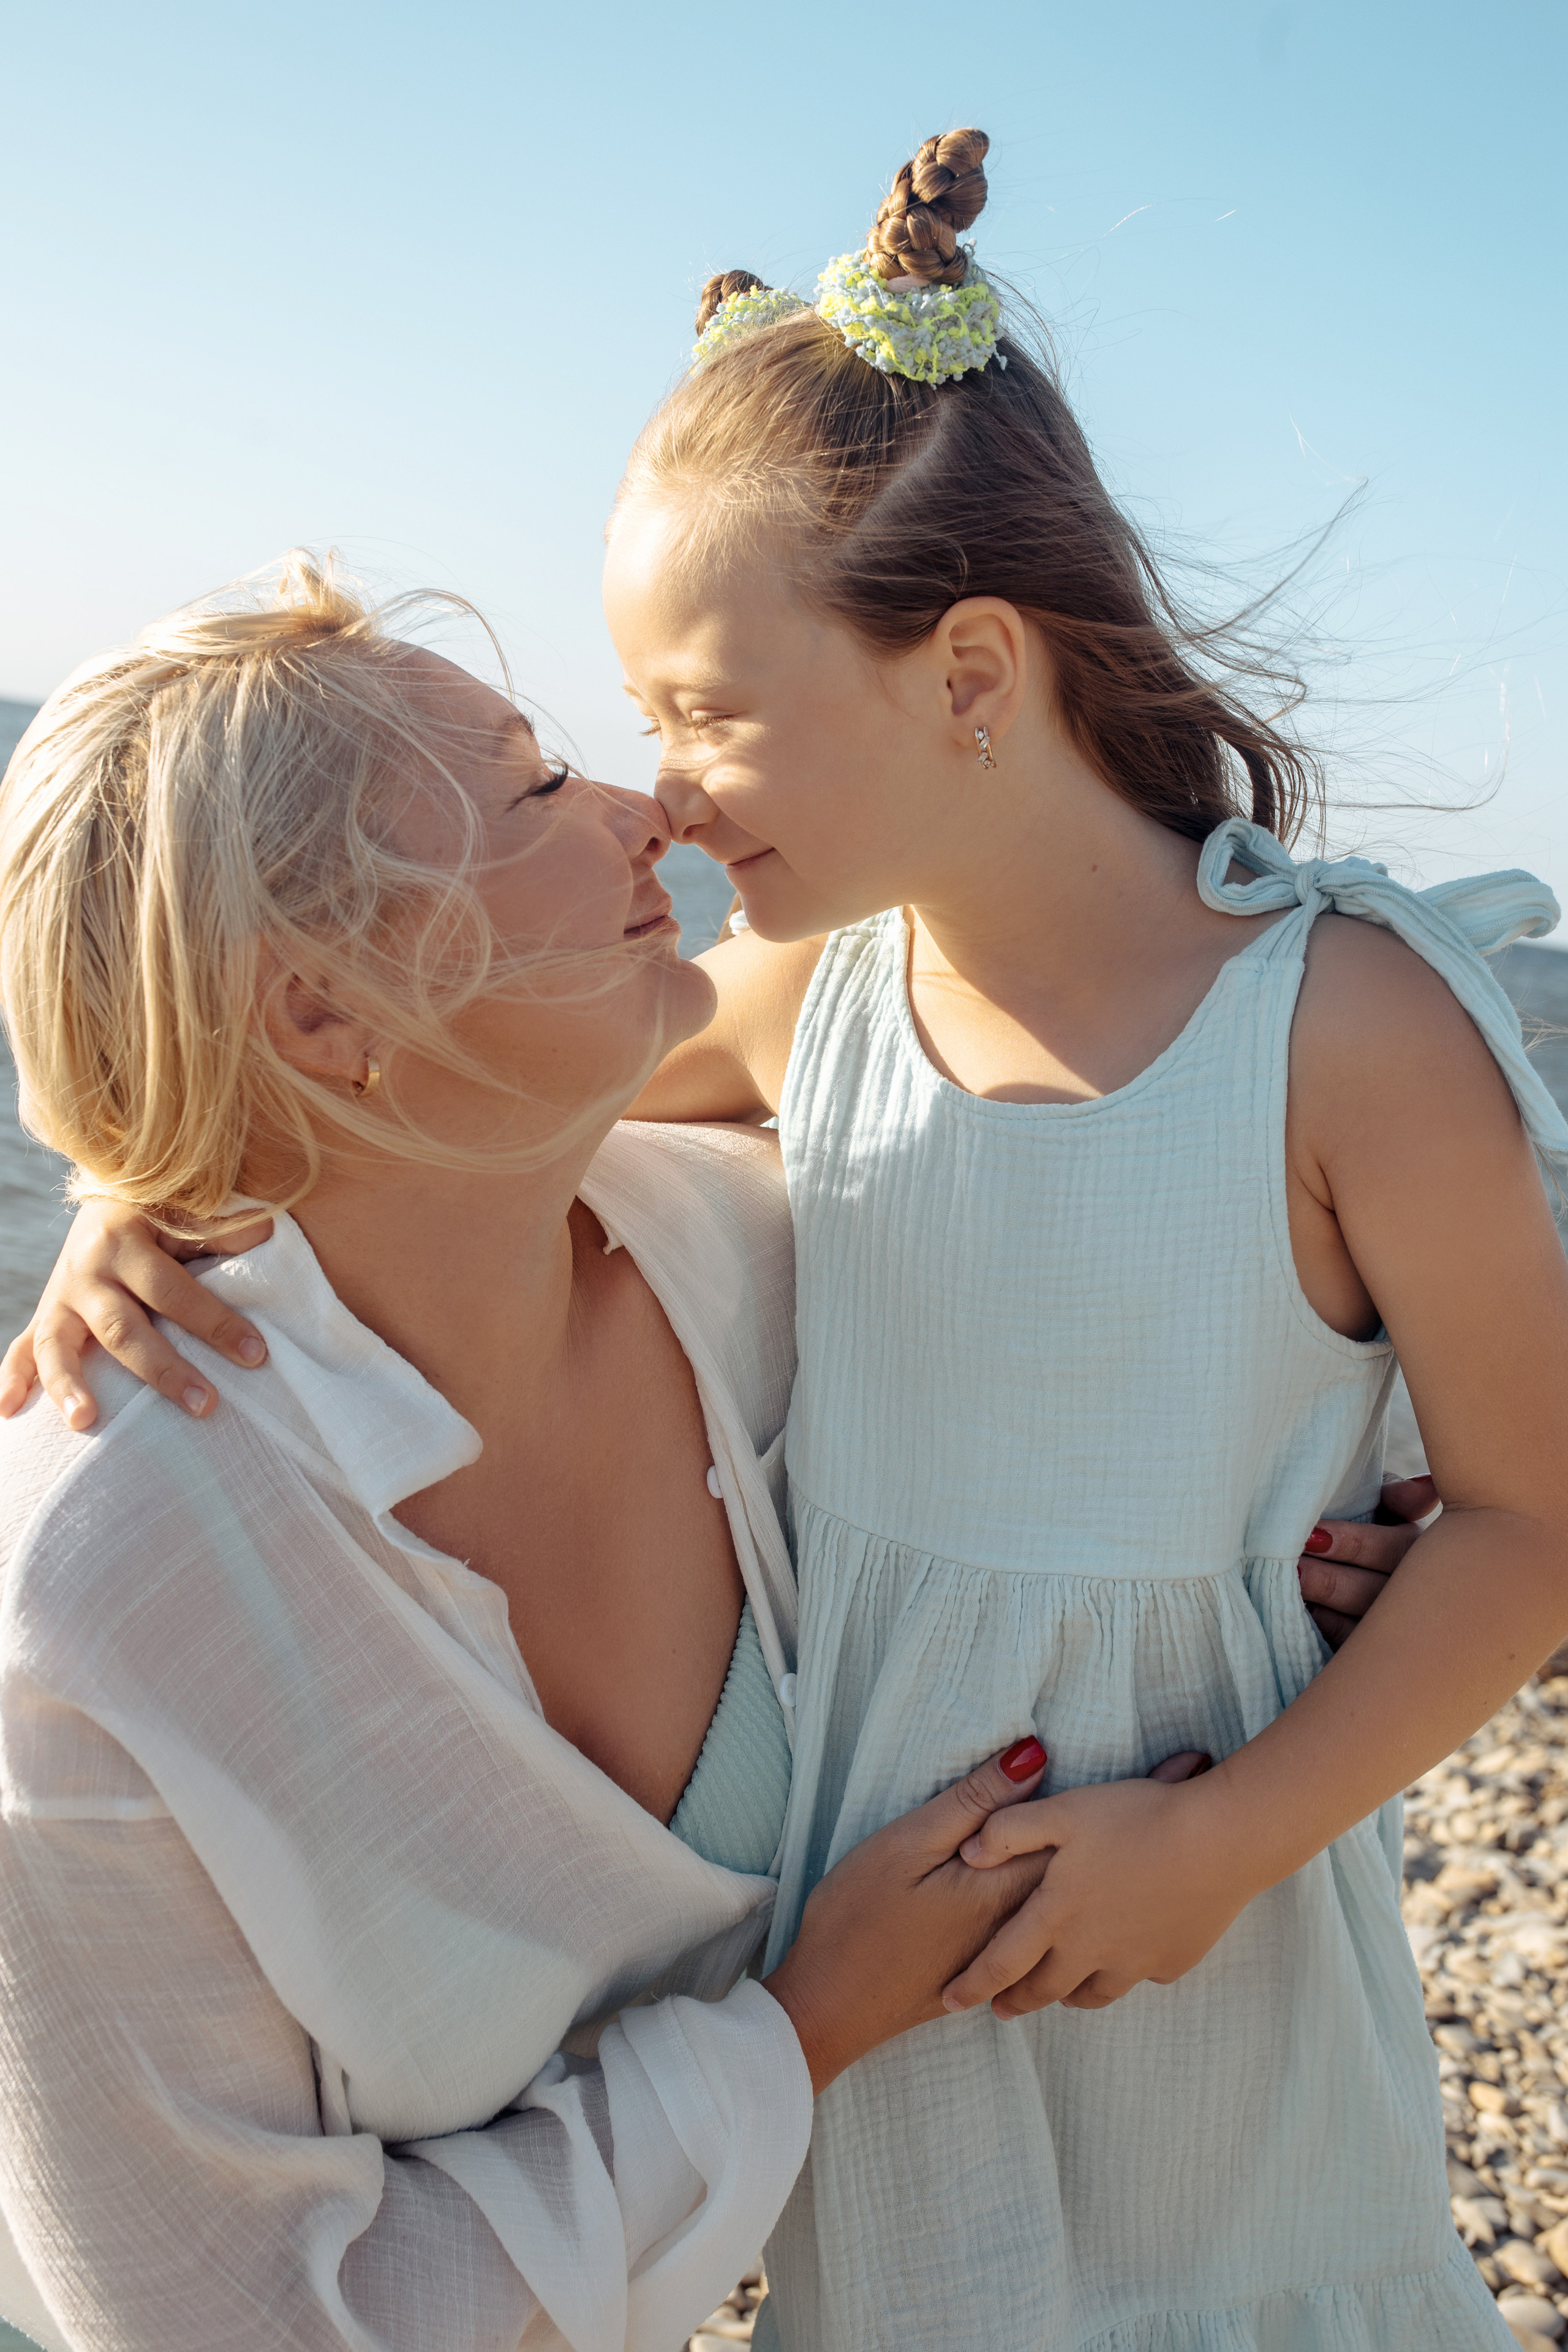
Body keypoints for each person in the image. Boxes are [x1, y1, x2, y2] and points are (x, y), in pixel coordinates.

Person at [588, 130, 1568, 2348]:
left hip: (1217, 1972)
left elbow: (1529, 1516)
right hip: (889, 1997)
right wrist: (160, 1211)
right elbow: (435, 1122)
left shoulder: (1342, 1030)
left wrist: (1221, 1846)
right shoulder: (803, 999)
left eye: (709, 714)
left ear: (968, 673)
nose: (659, 791)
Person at [0, 559, 1093, 2352]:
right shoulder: (95, 1588)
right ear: (324, 1018)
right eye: (528, 787)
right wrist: (804, 2031)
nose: (643, 806)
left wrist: (1322, 1508)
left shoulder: (751, 1265)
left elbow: (1058, 1010)